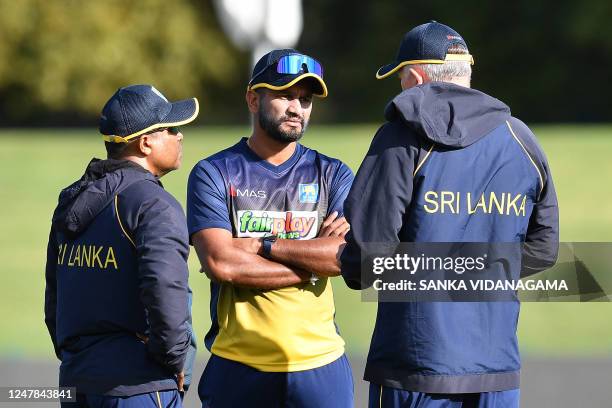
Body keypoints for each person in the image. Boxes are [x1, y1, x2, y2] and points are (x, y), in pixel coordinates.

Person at [340, 21, 559, 407]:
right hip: (497, 369)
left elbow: (368, 260)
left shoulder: (399, 137)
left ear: (417, 76)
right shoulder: (521, 139)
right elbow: (544, 249)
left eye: (401, 78)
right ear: (466, 71)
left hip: (414, 363)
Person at [187, 49, 354, 408]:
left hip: (320, 365)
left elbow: (342, 258)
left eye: (305, 99)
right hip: (239, 364)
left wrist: (260, 245)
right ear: (252, 98)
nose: (297, 107)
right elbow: (223, 263)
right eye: (284, 95)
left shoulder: (334, 173)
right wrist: (310, 265)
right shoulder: (213, 172)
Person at [45, 84, 199, 408]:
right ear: (146, 143)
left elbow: (54, 303)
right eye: (170, 128)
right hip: (139, 386)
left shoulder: (70, 200)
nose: (180, 135)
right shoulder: (155, 205)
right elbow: (165, 291)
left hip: (76, 382)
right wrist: (173, 363)